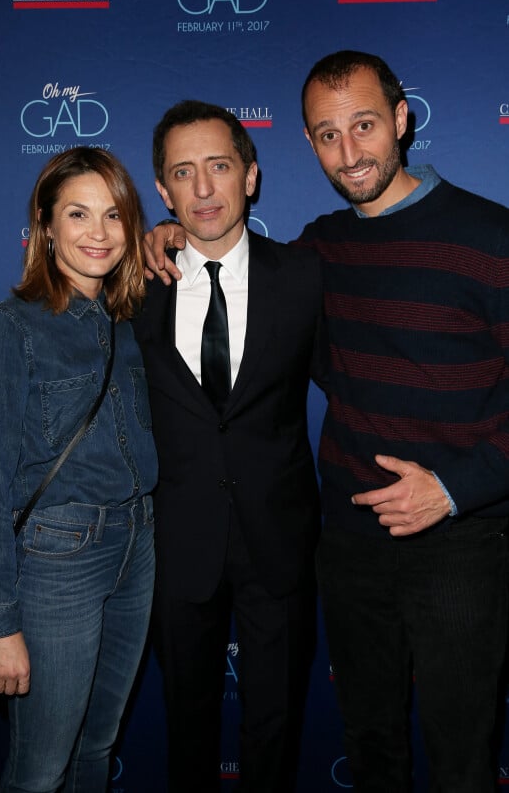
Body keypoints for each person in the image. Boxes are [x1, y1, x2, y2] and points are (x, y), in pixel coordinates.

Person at [144, 53, 509, 793]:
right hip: (346, 544)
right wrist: (163, 233)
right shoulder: (318, 251)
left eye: (365, 126)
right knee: (371, 743)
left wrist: (455, 486)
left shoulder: (489, 236)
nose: (349, 152)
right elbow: (226, 254)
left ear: (401, 121)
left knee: (461, 755)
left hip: (461, 540)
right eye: (327, 134)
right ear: (307, 144)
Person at [132, 100, 326, 793]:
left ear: (251, 174)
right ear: (163, 192)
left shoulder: (304, 277)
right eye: (183, 173)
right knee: (187, 724)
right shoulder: (133, 286)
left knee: (275, 725)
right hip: (178, 544)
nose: (203, 188)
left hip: (279, 540)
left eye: (219, 166)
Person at [0, 147, 158, 792]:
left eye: (114, 215)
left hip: (138, 545)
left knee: (97, 748)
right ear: (46, 227)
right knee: (40, 770)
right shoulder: (10, 329)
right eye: (78, 214)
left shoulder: (131, 323)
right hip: (57, 561)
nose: (98, 233)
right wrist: (2, 626)